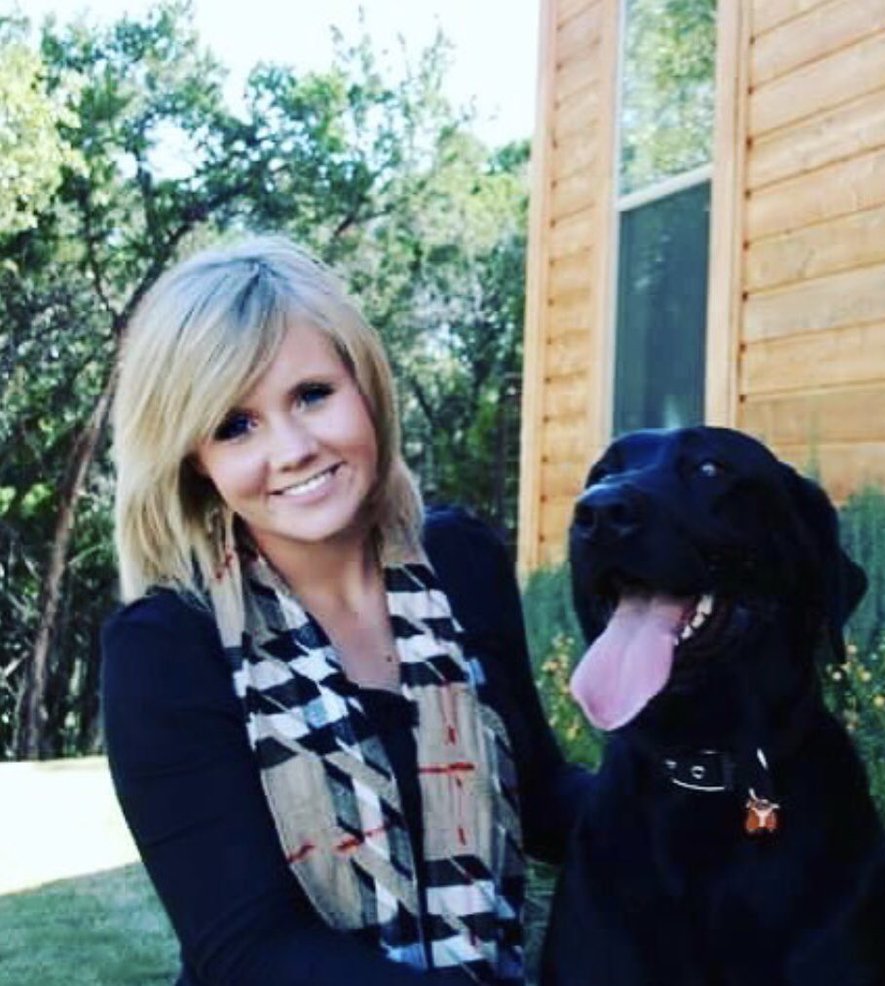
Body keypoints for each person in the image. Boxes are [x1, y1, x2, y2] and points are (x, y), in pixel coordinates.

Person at [102, 236, 591, 986]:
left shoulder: (461, 562)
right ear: (195, 458)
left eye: (311, 394)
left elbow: (543, 796)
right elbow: (249, 951)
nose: (292, 448)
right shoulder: (166, 647)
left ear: (364, 383)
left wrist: (707, 794)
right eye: (235, 425)